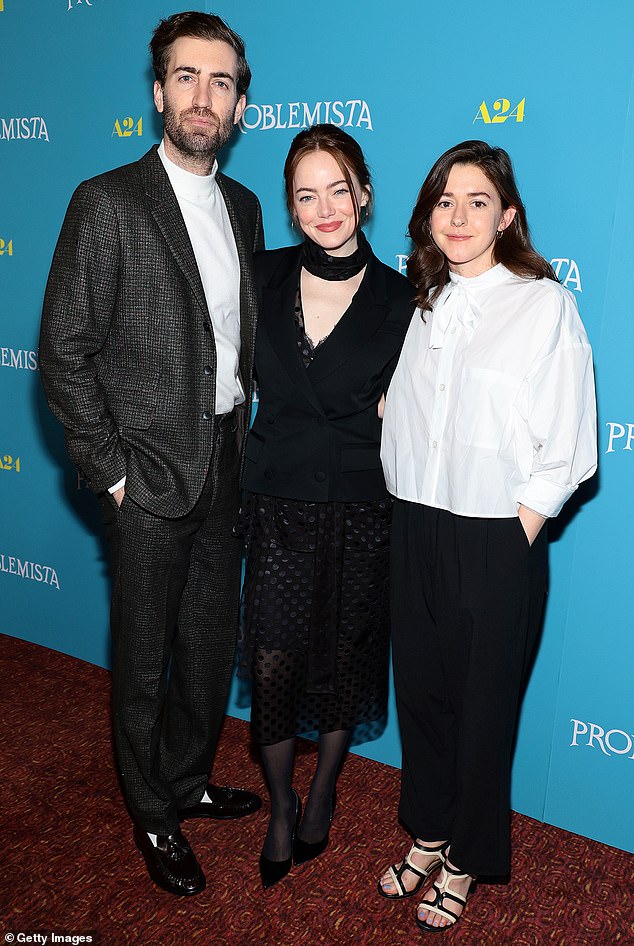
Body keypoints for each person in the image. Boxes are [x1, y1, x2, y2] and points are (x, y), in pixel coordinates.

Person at [39, 12, 264, 897]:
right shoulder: (107, 201)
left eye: (220, 81)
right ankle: (152, 811)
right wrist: (115, 471)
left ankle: (187, 776)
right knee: (142, 656)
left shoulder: (244, 208)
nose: (201, 96)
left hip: (226, 463)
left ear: (240, 103)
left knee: (209, 651)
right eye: (186, 77)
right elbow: (63, 348)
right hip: (148, 473)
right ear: (158, 91)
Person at [378, 140, 597, 931]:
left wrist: (517, 533)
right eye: (445, 201)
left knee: (481, 709)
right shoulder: (424, 302)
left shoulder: (544, 305)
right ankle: (429, 833)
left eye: (477, 201)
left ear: (507, 215)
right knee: (425, 697)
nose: (459, 216)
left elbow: (569, 442)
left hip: (493, 539)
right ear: (427, 217)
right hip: (415, 525)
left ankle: (467, 857)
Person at [237, 124, 416, 889]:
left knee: (345, 662)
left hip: (358, 507)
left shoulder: (403, 298)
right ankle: (281, 805)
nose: (323, 207)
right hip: (275, 501)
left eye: (337, 188)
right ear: (291, 206)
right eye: (305, 194)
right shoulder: (259, 277)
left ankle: (325, 791)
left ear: (363, 194)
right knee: (274, 664)